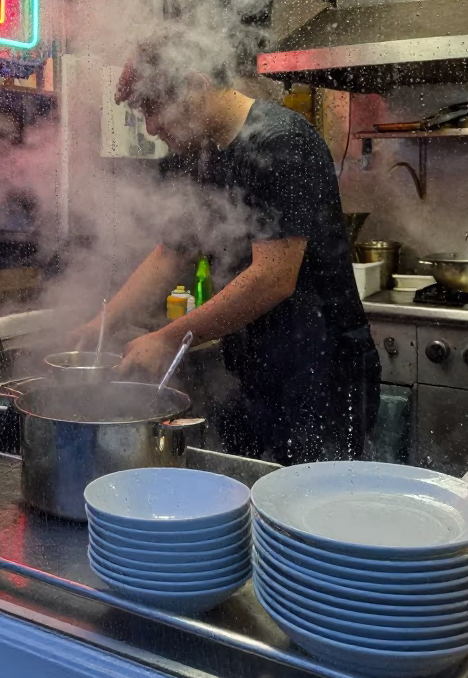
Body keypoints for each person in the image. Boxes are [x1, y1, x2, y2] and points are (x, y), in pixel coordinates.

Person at [71, 36, 380, 466]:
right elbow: (171, 253)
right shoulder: (199, 155)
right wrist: (104, 323)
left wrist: (168, 337)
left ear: (196, 87)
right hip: (254, 368)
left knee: (305, 517)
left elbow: (274, 277)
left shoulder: (279, 142)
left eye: (154, 109)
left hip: (320, 372)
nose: (151, 128)